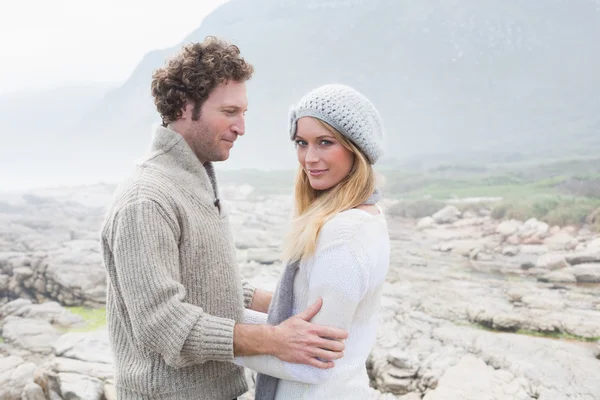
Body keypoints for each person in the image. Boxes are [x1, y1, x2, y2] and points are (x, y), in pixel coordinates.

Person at [99, 37, 348, 400]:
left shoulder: (195, 178)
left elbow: (206, 280)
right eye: (230, 112)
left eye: (243, 113)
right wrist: (274, 341)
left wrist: (288, 300)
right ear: (185, 106)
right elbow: (163, 324)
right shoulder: (146, 199)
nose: (242, 127)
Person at [234, 83, 391, 399]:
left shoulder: (344, 235)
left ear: (356, 148)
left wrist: (216, 332)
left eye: (325, 142)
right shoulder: (366, 217)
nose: (309, 158)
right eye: (301, 143)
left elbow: (313, 358)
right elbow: (300, 323)